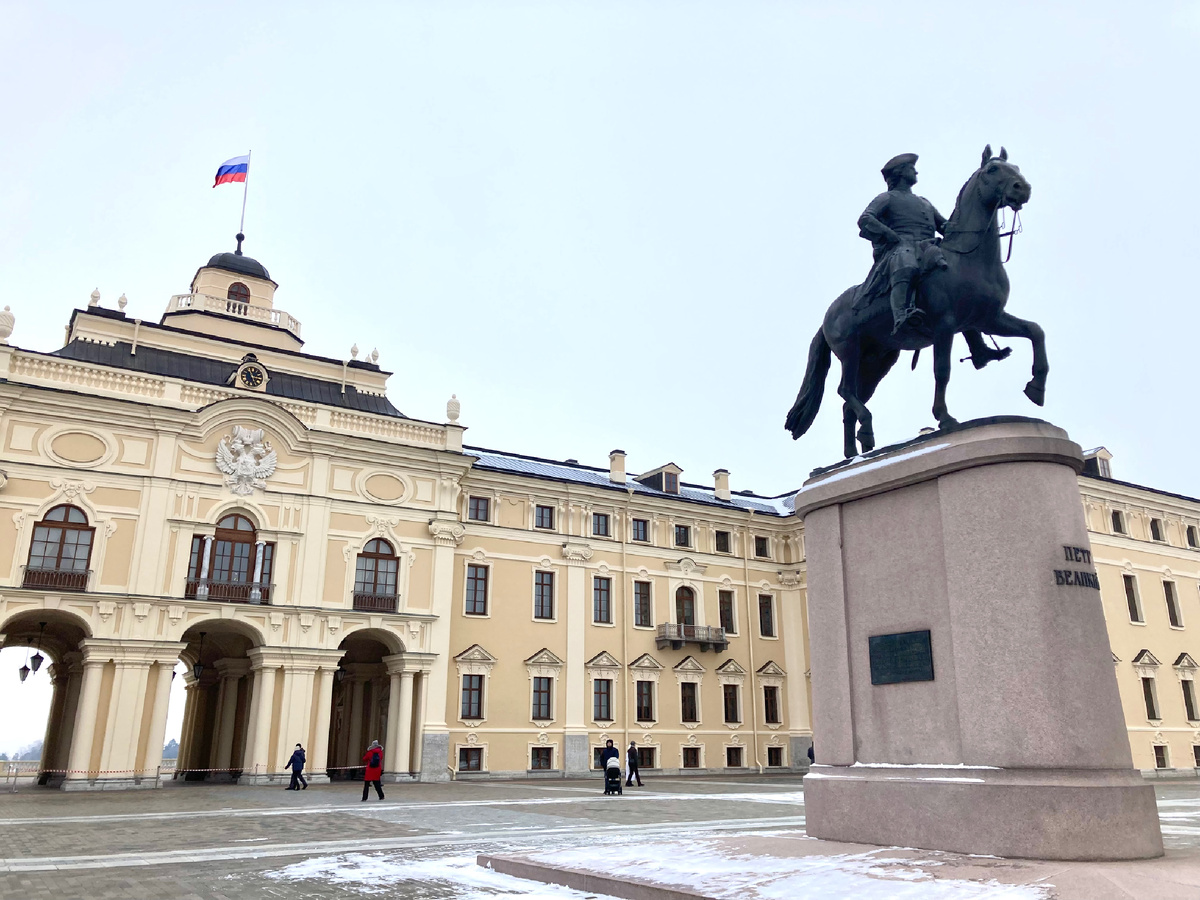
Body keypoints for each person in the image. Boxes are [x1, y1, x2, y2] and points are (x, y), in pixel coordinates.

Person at [854, 152, 949, 335]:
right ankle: (901, 315)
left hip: (929, 246)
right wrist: (889, 234)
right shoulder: (887, 198)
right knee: (906, 263)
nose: (916, 173)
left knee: (956, 273)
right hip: (900, 247)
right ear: (900, 173)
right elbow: (866, 218)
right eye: (911, 169)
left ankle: (976, 344)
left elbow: (944, 226)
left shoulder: (924, 202)